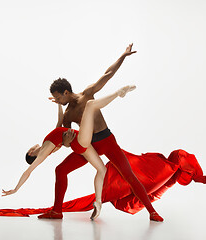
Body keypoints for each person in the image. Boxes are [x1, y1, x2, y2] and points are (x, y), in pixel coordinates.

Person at [37, 43, 164, 222]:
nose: (58, 101)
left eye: (59, 98)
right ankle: (57, 211)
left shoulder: (87, 94)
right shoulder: (68, 113)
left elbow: (107, 75)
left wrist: (123, 56)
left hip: (106, 140)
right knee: (61, 170)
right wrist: (65, 137)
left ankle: (152, 211)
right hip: (88, 146)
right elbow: (61, 134)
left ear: (66, 92)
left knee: (129, 175)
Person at [2, 85, 136, 220]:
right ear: (31, 153)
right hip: (80, 141)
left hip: (82, 145)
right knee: (89, 106)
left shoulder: (48, 145)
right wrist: (15, 189)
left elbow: (59, 122)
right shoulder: (44, 150)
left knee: (102, 170)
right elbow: (29, 171)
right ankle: (118, 93)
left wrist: (58, 105)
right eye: (30, 150)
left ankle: (98, 202)